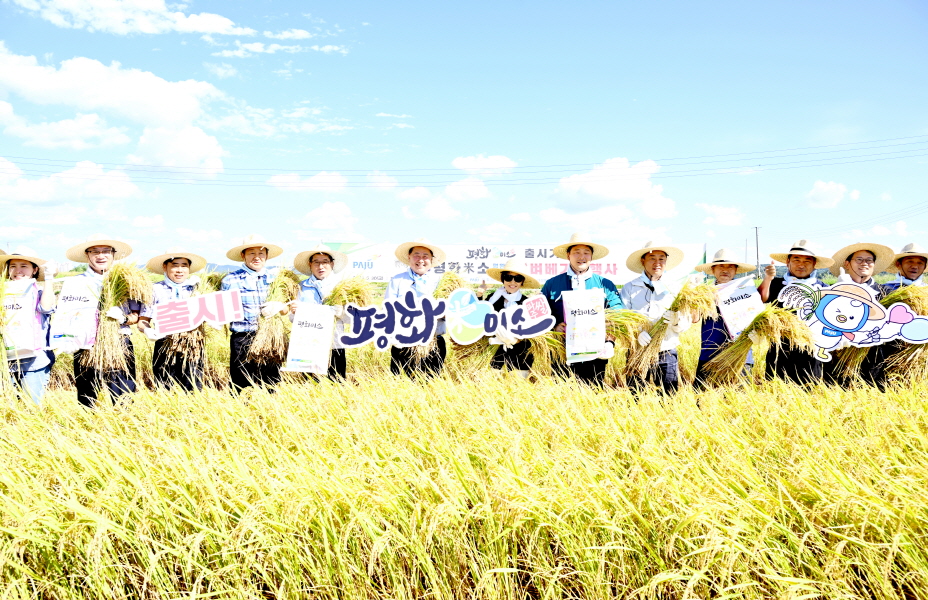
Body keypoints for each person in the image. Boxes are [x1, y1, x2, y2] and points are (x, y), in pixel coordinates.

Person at [55, 235, 140, 407]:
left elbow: (137, 315)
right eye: (95, 252)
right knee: (87, 399)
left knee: (124, 398)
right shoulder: (75, 283)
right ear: (87, 255)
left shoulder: (127, 281)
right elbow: (65, 313)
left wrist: (123, 318)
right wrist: (65, 338)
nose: (101, 256)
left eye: (106, 251)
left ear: (113, 254)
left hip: (119, 343)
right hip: (85, 344)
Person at [540, 233, 622, 386]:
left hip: (596, 351)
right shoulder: (552, 284)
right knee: (561, 394)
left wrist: (609, 342)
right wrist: (554, 326)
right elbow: (541, 315)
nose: (581, 257)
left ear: (591, 257)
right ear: (568, 255)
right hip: (561, 350)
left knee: (593, 394)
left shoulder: (605, 284)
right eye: (576, 252)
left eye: (586, 253)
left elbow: (618, 314)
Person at [756, 240, 834, 385]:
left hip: (811, 352)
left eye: (807, 260)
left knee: (809, 392)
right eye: (796, 259)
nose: (801, 264)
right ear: (787, 262)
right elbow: (759, 299)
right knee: (776, 393)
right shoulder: (777, 284)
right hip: (780, 351)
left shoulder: (822, 288)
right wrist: (767, 278)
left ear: (814, 264)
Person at [620, 241, 690, 394]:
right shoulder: (630, 287)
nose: (657, 263)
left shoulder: (675, 288)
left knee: (668, 397)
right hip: (637, 351)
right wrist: (637, 333)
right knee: (635, 396)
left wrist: (676, 321)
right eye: (652, 258)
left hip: (666, 350)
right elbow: (623, 319)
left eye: (661, 259)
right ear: (642, 260)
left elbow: (686, 322)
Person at [138, 248, 209, 392]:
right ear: (165, 267)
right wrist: (147, 330)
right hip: (165, 344)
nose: (179, 270)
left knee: (193, 388)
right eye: (175, 265)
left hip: (193, 345)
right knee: (164, 388)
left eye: (184, 265)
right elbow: (142, 320)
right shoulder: (154, 290)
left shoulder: (196, 289)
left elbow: (211, 314)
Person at [221, 234, 285, 393]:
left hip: (270, 336)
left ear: (267, 256)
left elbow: (286, 310)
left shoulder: (276, 279)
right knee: (240, 382)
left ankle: (269, 413)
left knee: (270, 381)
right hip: (242, 337)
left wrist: (279, 306)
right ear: (243, 255)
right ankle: (239, 413)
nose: (257, 257)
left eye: (261, 253)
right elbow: (223, 311)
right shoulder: (231, 279)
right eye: (252, 253)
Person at [828, 242, 895, 387]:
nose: (864, 263)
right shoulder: (831, 292)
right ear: (847, 264)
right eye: (859, 259)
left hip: (876, 367)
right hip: (839, 363)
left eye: (869, 260)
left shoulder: (887, 294)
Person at [693, 249, 756, 388]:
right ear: (713, 269)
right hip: (710, 356)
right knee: (702, 403)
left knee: (741, 404)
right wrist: (693, 293)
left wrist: (757, 333)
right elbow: (694, 318)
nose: (725, 270)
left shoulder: (746, 291)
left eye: (730, 266)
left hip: (741, 356)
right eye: (721, 266)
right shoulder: (704, 293)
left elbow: (756, 315)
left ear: (736, 270)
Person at [385, 238, 448, 377]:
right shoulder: (397, 281)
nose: (421, 260)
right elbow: (388, 310)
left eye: (425, 256)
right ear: (409, 257)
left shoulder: (441, 282)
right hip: (404, 342)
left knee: (430, 385)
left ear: (432, 259)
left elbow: (452, 311)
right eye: (416, 255)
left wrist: (442, 313)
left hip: (433, 342)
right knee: (402, 385)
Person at [1, 252, 57, 402]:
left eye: (24, 266)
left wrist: (49, 279)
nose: (18, 270)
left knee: (32, 406)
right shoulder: (3, 293)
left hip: (34, 362)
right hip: (7, 361)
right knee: (9, 406)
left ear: (35, 270)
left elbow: (46, 307)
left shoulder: (39, 292)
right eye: (13, 266)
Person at [291, 243, 351, 380]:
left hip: (334, 344)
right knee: (309, 385)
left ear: (332, 264)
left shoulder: (342, 287)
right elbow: (291, 318)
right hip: (308, 344)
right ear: (310, 264)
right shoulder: (301, 287)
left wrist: (341, 312)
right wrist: (296, 312)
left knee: (336, 384)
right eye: (316, 262)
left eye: (325, 262)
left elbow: (351, 318)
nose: (321, 266)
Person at [478, 259, 542, 377]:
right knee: (493, 388)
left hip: (520, 357)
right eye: (508, 277)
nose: (512, 282)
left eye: (517, 279)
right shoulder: (493, 298)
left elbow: (534, 333)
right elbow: (480, 315)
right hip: (495, 354)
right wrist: (479, 295)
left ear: (522, 282)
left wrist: (516, 339)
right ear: (503, 279)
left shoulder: (526, 303)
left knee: (519, 389)